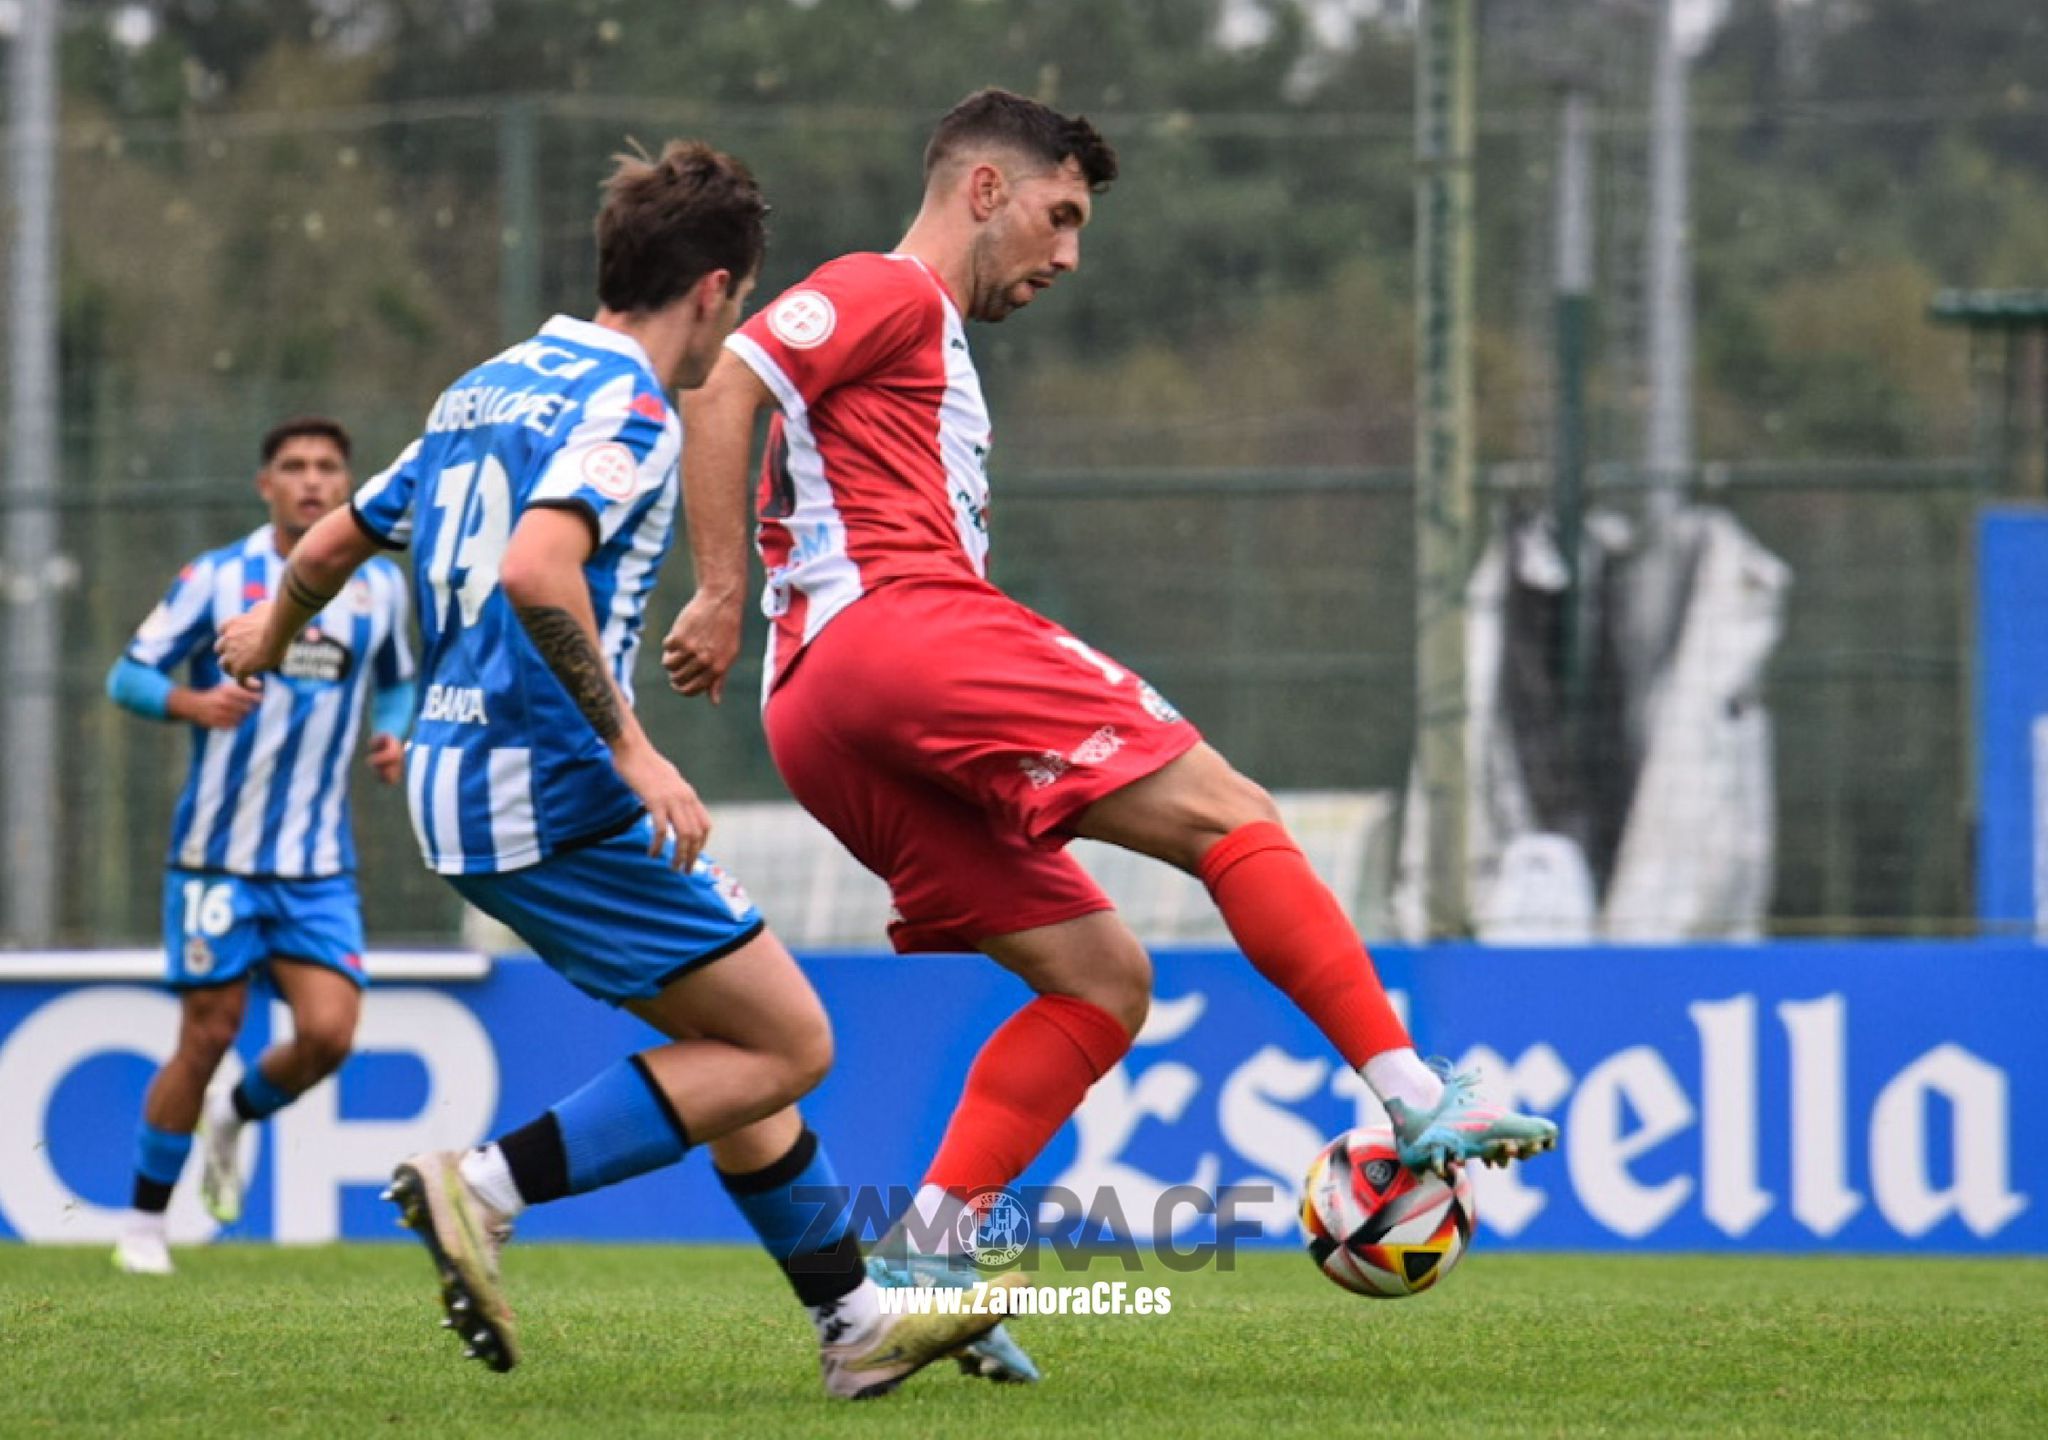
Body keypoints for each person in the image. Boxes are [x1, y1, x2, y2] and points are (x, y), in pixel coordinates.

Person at [662, 87, 1559, 1350]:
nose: (1068, 255)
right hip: (898, 633)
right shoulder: (889, 287)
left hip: (815, 717)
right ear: (985, 189)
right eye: (1060, 215)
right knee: (1227, 814)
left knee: (1100, 980)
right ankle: (1412, 1096)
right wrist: (714, 589)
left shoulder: (923, 344)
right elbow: (721, 387)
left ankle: (921, 1268)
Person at [216, 139, 1008, 1399]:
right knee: (791, 1042)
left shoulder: (484, 385)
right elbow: (538, 570)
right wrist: (635, 751)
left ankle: (853, 1324)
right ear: (711, 289)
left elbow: (352, 529)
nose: (729, 328)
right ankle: (484, 1187)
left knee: (729, 1058)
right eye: (736, 303)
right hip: (549, 789)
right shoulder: (631, 404)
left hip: (455, 784)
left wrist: (268, 626)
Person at [106, 416, 416, 1277]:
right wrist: (190, 704)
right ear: (265, 485)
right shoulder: (215, 580)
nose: (313, 481)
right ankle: (143, 1227)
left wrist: (392, 737)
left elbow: (398, 685)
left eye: (328, 468)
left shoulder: (377, 589)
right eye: (294, 467)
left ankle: (237, 1114)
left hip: (317, 864)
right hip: (216, 858)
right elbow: (127, 674)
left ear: (347, 485)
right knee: (207, 1032)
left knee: (329, 1034)